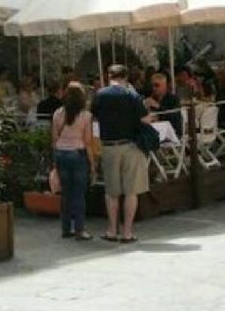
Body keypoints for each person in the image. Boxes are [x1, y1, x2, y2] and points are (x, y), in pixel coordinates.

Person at [91, 65, 152, 243]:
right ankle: (127, 232)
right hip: (130, 145)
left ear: (108, 76)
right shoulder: (131, 95)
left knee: (111, 192)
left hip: (109, 146)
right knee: (131, 191)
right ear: (126, 77)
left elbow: (94, 117)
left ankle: (111, 230)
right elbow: (144, 119)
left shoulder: (101, 95)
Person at [51, 82, 96, 241]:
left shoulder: (57, 113)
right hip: (77, 154)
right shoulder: (85, 116)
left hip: (61, 154)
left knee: (66, 194)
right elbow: (88, 141)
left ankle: (65, 228)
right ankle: (80, 229)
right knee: (78, 194)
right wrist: (92, 164)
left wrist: (54, 160)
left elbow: (54, 139)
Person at [143, 73, 183, 137]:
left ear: (165, 85)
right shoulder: (151, 97)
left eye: (157, 85)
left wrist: (158, 107)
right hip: (155, 131)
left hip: (171, 132)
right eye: (152, 86)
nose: (154, 88)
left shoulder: (173, 99)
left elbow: (175, 118)